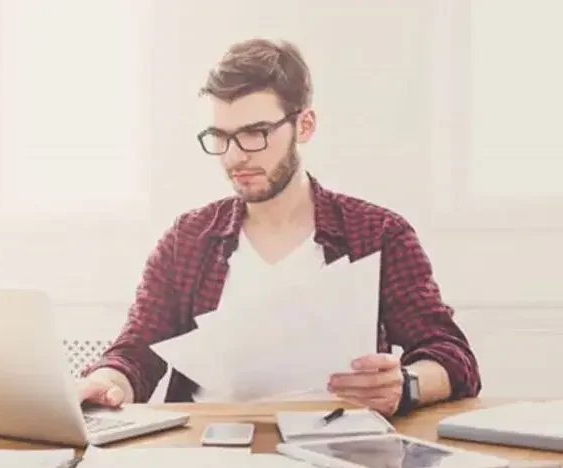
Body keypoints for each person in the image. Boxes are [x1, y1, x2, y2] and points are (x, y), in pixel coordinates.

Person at [77, 38, 481, 417]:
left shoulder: (379, 234)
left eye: (255, 134)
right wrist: (105, 383)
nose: (235, 157)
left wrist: (405, 385)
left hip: (338, 447)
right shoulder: (187, 239)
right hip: (209, 451)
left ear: (304, 126)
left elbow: (451, 355)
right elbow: (135, 354)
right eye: (221, 137)